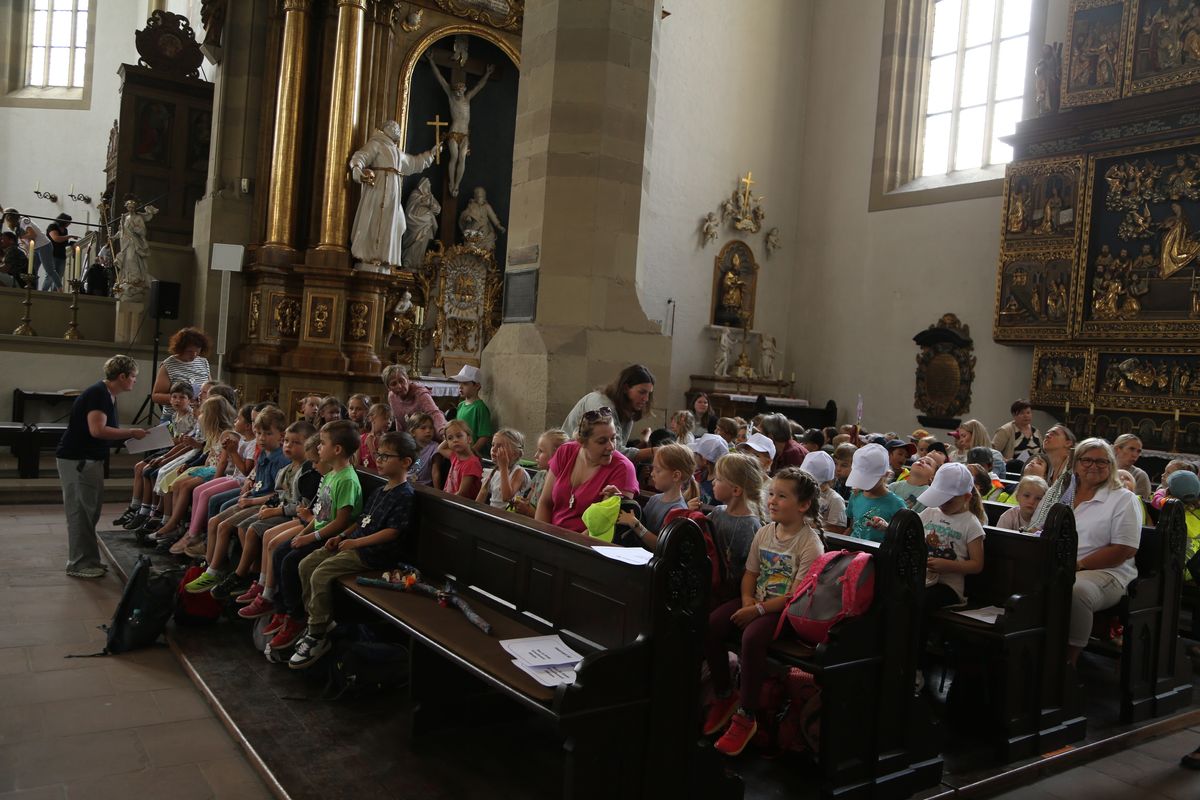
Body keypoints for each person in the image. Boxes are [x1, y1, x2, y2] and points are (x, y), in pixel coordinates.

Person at [702, 468, 825, 756]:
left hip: (785, 611)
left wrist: (756, 610)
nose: (772, 501)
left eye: (782, 496)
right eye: (771, 494)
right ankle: (724, 694)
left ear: (803, 505)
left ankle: (747, 714)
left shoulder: (810, 543)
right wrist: (747, 600)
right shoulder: (765, 531)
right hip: (757, 600)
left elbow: (795, 595)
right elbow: (750, 573)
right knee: (712, 624)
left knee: (752, 638)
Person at [290, 431, 420, 669]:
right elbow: (361, 521)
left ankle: (317, 632)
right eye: (378, 454)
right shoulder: (381, 490)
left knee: (320, 574)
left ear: (405, 462)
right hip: (352, 544)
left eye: (385, 456)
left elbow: (392, 532)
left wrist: (355, 543)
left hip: (373, 555)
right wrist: (341, 535)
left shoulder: (405, 495)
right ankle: (320, 620)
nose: (378, 460)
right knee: (305, 564)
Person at [267, 420, 365, 652]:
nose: (318, 448)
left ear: (337, 449)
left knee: (293, 561)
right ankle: (284, 611)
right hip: (319, 532)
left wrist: (310, 538)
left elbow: (341, 522)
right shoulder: (331, 475)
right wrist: (302, 533)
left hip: (333, 538)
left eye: (322, 444)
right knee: (282, 551)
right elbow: (320, 514)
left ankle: (298, 616)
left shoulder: (347, 479)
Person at [56, 355, 148, 578]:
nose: (135, 382)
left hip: (89, 459)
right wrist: (131, 433)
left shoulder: (108, 394)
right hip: (78, 459)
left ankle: (90, 560)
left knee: (90, 511)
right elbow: (97, 430)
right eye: (133, 377)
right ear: (122, 376)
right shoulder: (99, 394)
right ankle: (78, 564)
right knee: (80, 512)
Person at [186, 406, 289, 593]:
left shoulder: (281, 460)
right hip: (254, 497)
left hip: (265, 503)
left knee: (229, 527)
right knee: (214, 521)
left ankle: (228, 572)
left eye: (267, 433)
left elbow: (278, 495)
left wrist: (251, 501)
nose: (262, 438)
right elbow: (257, 478)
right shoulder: (262, 452)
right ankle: (209, 566)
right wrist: (248, 490)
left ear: (281, 436)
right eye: (258, 433)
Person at [214, 419, 317, 603]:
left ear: (310, 446)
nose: (289, 446)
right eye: (287, 441)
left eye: (296, 443)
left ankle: (246, 577)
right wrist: (269, 505)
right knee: (246, 526)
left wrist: (275, 511)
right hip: (282, 510)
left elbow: (302, 506)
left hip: (292, 516)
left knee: (255, 529)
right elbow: (278, 494)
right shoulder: (286, 469)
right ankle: (251, 575)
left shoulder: (308, 472)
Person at [1065, 439, 1141, 666]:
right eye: (1086, 460)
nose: (1093, 466)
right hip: (1062, 564)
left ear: (1111, 465)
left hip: (1109, 572)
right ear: (1076, 463)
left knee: (1075, 591)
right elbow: (1039, 527)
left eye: (1101, 461)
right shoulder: (1063, 493)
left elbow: (1124, 550)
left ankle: (1068, 661)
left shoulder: (1123, 499)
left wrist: (1079, 565)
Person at [915, 462, 986, 691]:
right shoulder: (929, 513)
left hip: (949, 587)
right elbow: (914, 539)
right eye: (940, 499)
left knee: (921, 603)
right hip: (924, 578)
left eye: (949, 500)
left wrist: (948, 565)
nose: (943, 505)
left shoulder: (970, 523)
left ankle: (917, 665)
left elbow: (977, 565)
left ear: (966, 496)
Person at [536, 407, 639, 533]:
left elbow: (606, 527)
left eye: (613, 438)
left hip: (586, 545)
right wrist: (541, 536)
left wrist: (567, 546)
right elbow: (545, 502)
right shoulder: (565, 451)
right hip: (552, 536)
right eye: (602, 441)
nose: (611, 447)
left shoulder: (623, 468)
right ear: (582, 442)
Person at [562, 364, 656, 463]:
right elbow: (614, 452)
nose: (646, 399)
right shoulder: (602, 406)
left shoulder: (627, 409)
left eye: (648, 393)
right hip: (569, 462)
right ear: (625, 388)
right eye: (642, 392)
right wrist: (656, 451)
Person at [620, 443, 697, 548]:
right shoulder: (654, 499)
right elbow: (641, 519)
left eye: (658, 470)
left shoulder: (678, 510)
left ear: (675, 476)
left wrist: (635, 524)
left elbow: (661, 545)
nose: (652, 474)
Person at [708, 452, 765, 584]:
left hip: (735, 588)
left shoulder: (750, 525)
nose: (713, 482)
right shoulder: (717, 512)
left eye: (718, 479)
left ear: (736, 490)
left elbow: (750, 570)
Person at [845, 443, 906, 543]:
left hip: (877, 553)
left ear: (886, 474)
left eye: (868, 480)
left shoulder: (896, 504)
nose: (863, 484)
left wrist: (888, 528)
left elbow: (903, 536)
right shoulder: (855, 495)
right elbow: (852, 527)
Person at [150, 327, 213, 422]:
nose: (194, 355)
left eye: (197, 351)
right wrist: (182, 399)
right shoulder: (169, 364)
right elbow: (156, 396)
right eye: (190, 351)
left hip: (198, 417)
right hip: (173, 418)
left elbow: (210, 388)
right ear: (180, 348)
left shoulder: (203, 362)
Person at [1028, 424, 1078, 531]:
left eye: (1054, 434)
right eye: (1046, 434)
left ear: (1068, 443)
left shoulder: (1072, 470)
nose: (1048, 436)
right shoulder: (1050, 472)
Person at [512, 429, 569, 518]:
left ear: (557, 455)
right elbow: (529, 500)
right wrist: (522, 503)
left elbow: (551, 518)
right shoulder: (540, 475)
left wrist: (527, 511)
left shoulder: (560, 483)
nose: (535, 455)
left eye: (541, 451)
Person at [382, 364, 447, 436]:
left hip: (428, 438)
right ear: (388, 388)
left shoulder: (420, 394)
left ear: (407, 379)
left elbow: (434, 413)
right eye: (394, 384)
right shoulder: (392, 397)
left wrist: (442, 430)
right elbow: (398, 419)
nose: (399, 386)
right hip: (409, 437)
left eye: (401, 381)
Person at [476, 428, 528, 509]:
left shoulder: (518, 472)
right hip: (493, 514)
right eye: (493, 445)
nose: (494, 449)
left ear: (515, 454)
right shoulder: (491, 472)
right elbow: (481, 496)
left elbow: (507, 497)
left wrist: (504, 467)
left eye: (500, 446)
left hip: (509, 517)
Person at [4, 207, 53, 290]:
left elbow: (32, 235)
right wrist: (27, 252)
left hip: (41, 246)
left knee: (45, 271)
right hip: (33, 249)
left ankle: (40, 289)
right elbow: (25, 242)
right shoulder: (18, 227)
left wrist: (22, 237)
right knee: (32, 272)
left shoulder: (23, 221)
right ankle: (33, 289)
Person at [450, 365, 493, 457]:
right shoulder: (461, 405)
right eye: (459, 383)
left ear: (477, 386)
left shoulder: (480, 408)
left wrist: (472, 452)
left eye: (465, 383)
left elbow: (484, 436)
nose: (460, 387)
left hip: (474, 455)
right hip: (461, 452)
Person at [438, 419, 484, 498]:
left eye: (459, 436)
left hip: (461, 504)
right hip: (451, 500)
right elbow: (440, 449)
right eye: (450, 438)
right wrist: (448, 432)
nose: (455, 440)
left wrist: (450, 434)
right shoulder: (455, 456)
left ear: (469, 439)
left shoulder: (472, 463)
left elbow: (462, 494)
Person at [1112, 434, 1152, 500]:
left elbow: (1140, 504)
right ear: (1117, 449)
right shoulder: (1104, 470)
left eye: (1138, 451)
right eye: (1131, 449)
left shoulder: (1140, 475)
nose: (1135, 455)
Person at [408, 412, 440, 487]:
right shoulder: (407, 445)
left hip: (424, 487)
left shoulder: (435, 447)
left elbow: (435, 472)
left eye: (431, 428)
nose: (428, 431)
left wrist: (438, 493)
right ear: (413, 432)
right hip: (406, 483)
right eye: (423, 428)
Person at [358, 403, 393, 472]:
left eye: (391, 419)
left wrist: (371, 445)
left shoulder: (389, 440)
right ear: (371, 418)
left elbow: (382, 463)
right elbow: (357, 464)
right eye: (385, 418)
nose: (389, 422)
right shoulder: (361, 438)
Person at [44, 213, 73, 292]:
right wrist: (69, 236)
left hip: (61, 256)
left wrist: (71, 243)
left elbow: (63, 242)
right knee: (50, 276)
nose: (69, 224)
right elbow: (55, 238)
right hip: (52, 254)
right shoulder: (52, 226)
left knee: (59, 276)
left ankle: (54, 294)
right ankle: (43, 292)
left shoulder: (65, 230)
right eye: (68, 222)